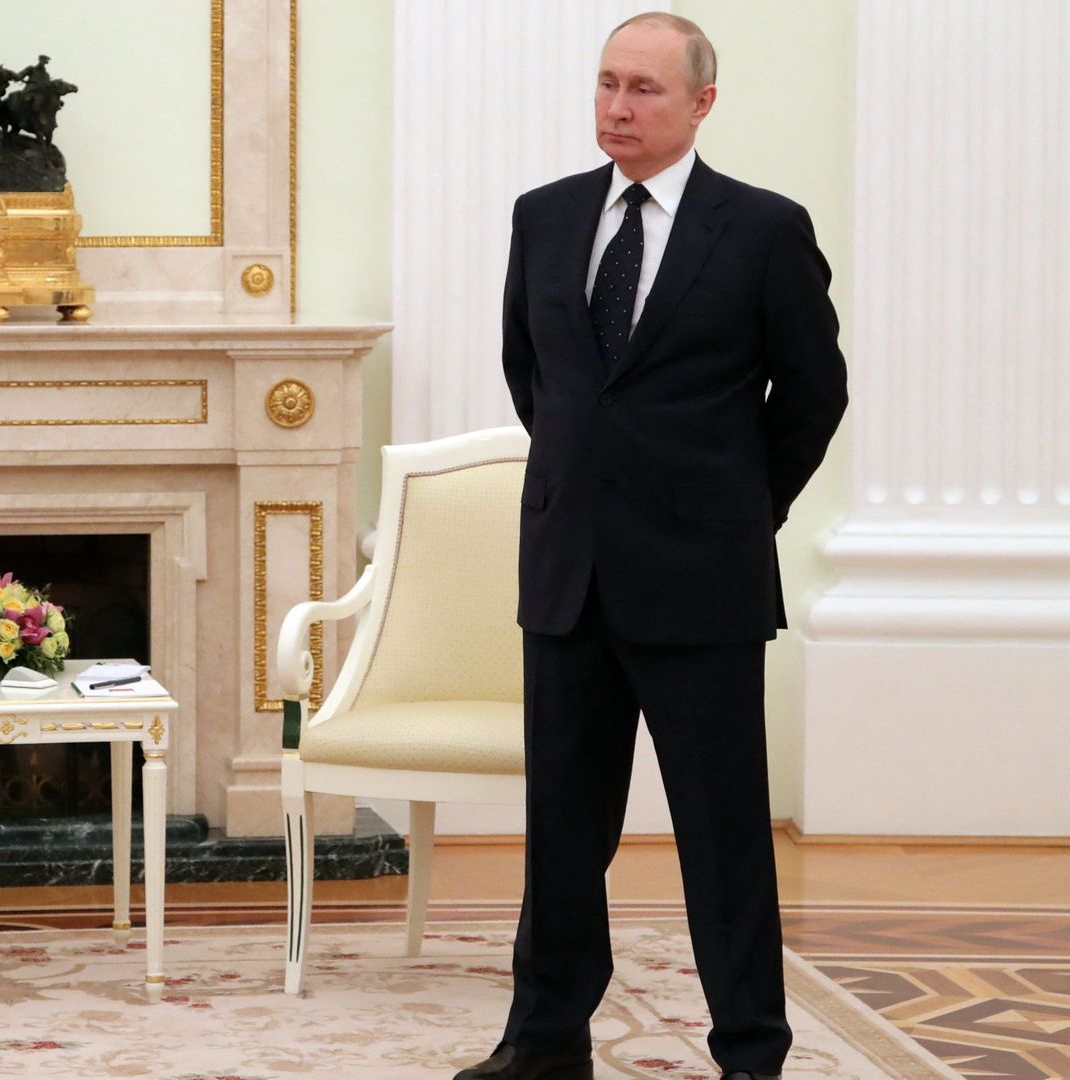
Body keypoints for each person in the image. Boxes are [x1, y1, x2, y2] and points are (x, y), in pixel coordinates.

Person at [458, 12, 847, 1080]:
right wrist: (590, 491)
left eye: (643, 90)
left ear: (700, 104)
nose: (616, 109)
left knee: (722, 839)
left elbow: (814, 393)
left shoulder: (763, 229)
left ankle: (751, 1056)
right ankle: (542, 1046)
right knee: (562, 836)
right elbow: (534, 375)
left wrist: (734, 509)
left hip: (702, 582)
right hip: (569, 575)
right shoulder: (543, 218)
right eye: (605, 85)